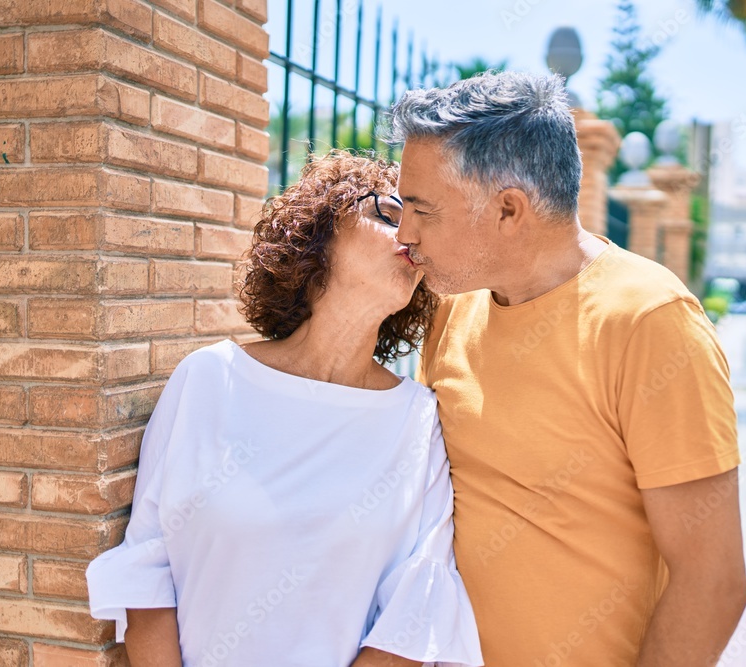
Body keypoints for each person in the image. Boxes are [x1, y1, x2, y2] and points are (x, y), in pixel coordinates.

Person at [388, 71, 746, 666]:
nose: (405, 233)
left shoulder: (651, 322)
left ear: (509, 210)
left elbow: (713, 583)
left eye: (423, 209)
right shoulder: (454, 309)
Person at [85, 151, 483, 667]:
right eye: (387, 213)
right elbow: (147, 569)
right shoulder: (208, 379)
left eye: (420, 223)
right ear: (318, 237)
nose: (409, 235)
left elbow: (414, 613)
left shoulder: (418, 420)